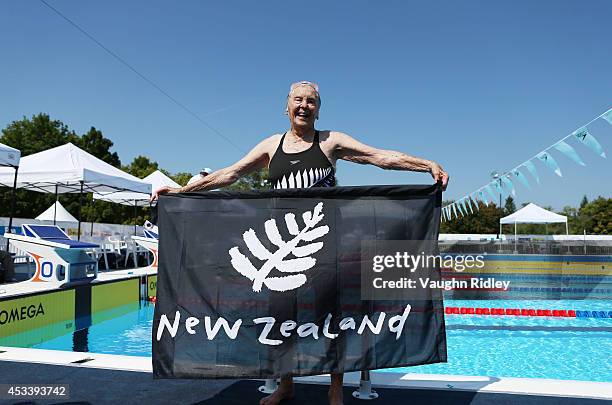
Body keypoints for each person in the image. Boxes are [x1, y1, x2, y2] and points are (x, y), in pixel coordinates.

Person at [152, 81, 449, 405]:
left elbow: (379, 156)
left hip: (330, 244)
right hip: (280, 247)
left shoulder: (331, 141)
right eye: (298, 100)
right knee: (281, 318)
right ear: (287, 107)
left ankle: (335, 392)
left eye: (311, 101)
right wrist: (183, 192)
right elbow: (231, 173)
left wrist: (425, 165)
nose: (304, 105)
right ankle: (287, 385)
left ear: (318, 109)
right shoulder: (270, 146)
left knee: (333, 317)